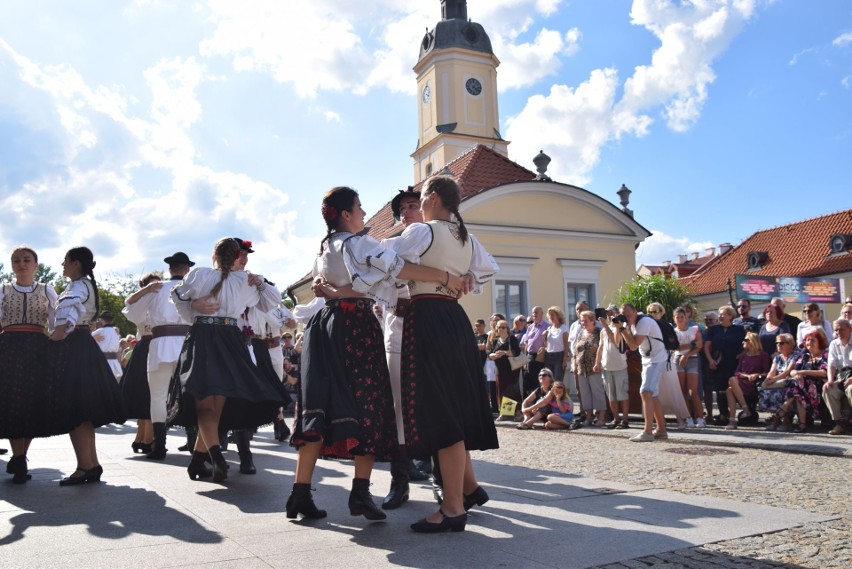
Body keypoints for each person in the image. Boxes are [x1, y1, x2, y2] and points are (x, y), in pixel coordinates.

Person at [288, 185, 468, 523]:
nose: (364, 212)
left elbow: (336, 287)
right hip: (354, 325)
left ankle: (299, 493)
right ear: (345, 214)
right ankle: (360, 493)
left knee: (319, 408)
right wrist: (445, 276)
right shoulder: (359, 243)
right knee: (368, 405)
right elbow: (398, 268)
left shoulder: (325, 247)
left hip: (323, 327)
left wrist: (335, 292)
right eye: (358, 207)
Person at [390, 175, 499, 533]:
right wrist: (455, 279)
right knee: (450, 407)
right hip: (454, 318)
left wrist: (442, 277)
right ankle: (463, 492)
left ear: (434, 198)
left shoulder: (424, 232)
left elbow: (389, 266)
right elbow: (482, 272)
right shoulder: (466, 237)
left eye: (421, 198)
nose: (419, 205)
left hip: (428, 318)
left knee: (440, 410)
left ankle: (453, 507)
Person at [169, 238, 285, 482]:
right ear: (236, 257)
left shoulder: (199, 275)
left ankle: (212, 458)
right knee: (217, 399)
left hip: (202, 336)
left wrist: (194, 304)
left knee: (204, 401)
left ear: (215, 255)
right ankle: (203, 460)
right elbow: (273, 301)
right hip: (230, 338)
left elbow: (176, 297)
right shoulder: (245, 281)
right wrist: (261, 283)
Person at [50, 246, 126, 485]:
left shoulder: (78, 286)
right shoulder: (83, 285)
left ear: (75, 263)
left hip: (75, 345)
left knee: (77, 409)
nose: (62, 264)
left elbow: (69, 319)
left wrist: (55, 339)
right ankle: (91, 464)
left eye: (65, 261)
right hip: (82, 345)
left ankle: (85, 466)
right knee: (82, 411)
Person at [123, 252, 194, 461]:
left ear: (170, 269)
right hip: (186, 346)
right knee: (190, 393)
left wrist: (146, 290)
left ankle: (159, 445)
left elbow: (132, 312)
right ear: (186, 269)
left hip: (161, 345)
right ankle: (193, 440)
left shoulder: (157, 288)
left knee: (158, 395)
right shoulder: (192, 288)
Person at [0, 246, 58, 483]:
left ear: (35, 264)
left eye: (26, 260)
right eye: (16, 260)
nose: (21, 264)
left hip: (37, 346)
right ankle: (19, 456)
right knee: (13, 400)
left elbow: (56, 321)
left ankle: (21, 455)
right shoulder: (3, 290)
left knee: (32, 402)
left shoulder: (47, 290)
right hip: (9, 347)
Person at [119, 272, 161, 455]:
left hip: (160, 344)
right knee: (142, 391)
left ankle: (148, 436)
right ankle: (143, 435)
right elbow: (127, 304)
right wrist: (147, 290)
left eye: (157, 285)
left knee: (154, 392)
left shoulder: (164, 302)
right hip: (145, 347)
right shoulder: (139, 305)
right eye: (149, 285)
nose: (155, 288)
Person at [615, 304, 668, 442]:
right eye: (624, 315)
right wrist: (618, 326)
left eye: (629, 315)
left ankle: (648, 432)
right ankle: (661, 430)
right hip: (648, 359)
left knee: (646, 391)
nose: (627, 317)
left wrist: (621, 328)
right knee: (653, 395)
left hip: (656, 359)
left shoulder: (643, 322)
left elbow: (633, 345)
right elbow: (618, 342)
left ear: (635, 312)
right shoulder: (631, 324)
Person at [773, 330, 829, 432]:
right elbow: (793, 371)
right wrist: (797, 374)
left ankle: (781, 412)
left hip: (819, 385)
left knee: (797, 385)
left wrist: (802, 372)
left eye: (813, 340)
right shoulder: (804, 354)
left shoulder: (825, 354)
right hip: (802, 386)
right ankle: (802, 424)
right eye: (807, 340)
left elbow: (824, 372)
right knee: (798, 386)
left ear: (819, 342)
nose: (809, 343)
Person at [704, 306, 746, 426]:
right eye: (720, 314)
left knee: (731, 389)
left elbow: (746, 345)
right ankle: (723, 415)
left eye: (723, 314)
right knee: (720, 390)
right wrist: (710, 360)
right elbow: (707, 346)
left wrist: (742, 357)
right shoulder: (714, 329)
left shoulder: (739, 329)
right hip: (718, 364)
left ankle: (736, 414)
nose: (721, 316)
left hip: (734, 363)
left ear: (731, 316)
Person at [724, 332, 771, 430]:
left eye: (746, 340)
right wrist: (747, 375)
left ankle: (734, 419)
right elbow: (737, 372)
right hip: (742, 381)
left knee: (730, 388)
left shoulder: (763, 355)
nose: (743, 342)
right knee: (730, 386)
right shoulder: (743, 356)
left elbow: (767, 372)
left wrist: (757, 375)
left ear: (752, 341)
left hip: (754, 383)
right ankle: (742, 412)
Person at [594, 304, 630, 429]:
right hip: (607, 366)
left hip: (619, 366)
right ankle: (616, 419)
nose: (609, 315)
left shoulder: (621, 327)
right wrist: (597, 363)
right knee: (611, 395)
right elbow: (601, 347)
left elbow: (615, 340)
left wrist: (605, 324)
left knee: (622, 394)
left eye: (612, 313)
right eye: (608, 313)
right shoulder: (604, 330)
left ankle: (625, 419)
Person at [672, 306, 704, 427]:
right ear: (674, 319)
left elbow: (700, 345)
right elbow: (676, 347)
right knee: (682, 391)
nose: (680, 319)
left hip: (692, 359)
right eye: (677, 317)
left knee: (693, 391)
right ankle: (687, 417)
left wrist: (687, 354)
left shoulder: (694, 329)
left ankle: (700, 417)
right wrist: (691, 344)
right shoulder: (674, 332)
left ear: (686, 317)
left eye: (682, 317)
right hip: (677, 360)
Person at [759, 333, 798, 428]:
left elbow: (787, 371)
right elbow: (772, 371)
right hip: (777, 382)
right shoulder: (777, 357)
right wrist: (768, 379)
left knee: (781, 393)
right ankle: (776, 419)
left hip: (789, 381)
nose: (778, 345)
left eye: (781, 343)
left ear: (790, 344)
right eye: (777, 343)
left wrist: (773, 379)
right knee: (764, 390)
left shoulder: (795, 356)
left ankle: (785, 420)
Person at [574, 309, 605, 426]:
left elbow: (602, 349)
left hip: (594, 368)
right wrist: (575, 364)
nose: (583, 323)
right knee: (585, 393)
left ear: (592, 320)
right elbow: (576, 351)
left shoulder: (599, 332)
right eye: (582, 321)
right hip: (582, 368)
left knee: (598, 393)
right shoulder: (581, 333)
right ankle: (588, 417)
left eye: (585, 320)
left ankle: (601, 418)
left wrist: (599, 363)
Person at [822, 318, 852, 435]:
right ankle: (839, 423)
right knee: (828, 389)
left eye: (841, 330)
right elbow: (831, 365)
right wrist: (830, 380)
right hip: (842, 375)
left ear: (850, 329)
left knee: (851, 389)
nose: (838, 333)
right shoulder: (834, 344)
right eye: (836, 330)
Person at [489, 319, 523, 419]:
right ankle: (506, 412)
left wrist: (504, 353)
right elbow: (489, 353)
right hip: (500, 369)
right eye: (499, 327)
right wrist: (494, 355)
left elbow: (516, 352)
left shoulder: (511, 339)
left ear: (507, 329)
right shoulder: (495, 340)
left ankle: (517, 412)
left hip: (511, 369)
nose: (501, 329)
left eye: (504, 327)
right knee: (502, 391)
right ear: (496, 329)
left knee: (513, 390)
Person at [520, 306, 548, 397]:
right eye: (533, 313)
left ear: (542, 314)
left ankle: (539, 400)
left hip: (540, 356)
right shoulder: (530, 327)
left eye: (537, 312)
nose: (534, 315)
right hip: (530, 356)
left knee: (538, 380)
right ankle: (531, 401)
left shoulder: (547, 326)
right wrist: (525, 358)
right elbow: (526, 343)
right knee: (528, 380)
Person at [92, 311, 122, 380]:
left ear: (102, 320)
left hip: (101, 363)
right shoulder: (116, 333)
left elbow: (86, 341)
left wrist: (93, 338)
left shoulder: (100, 331)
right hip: (114, 363)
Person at [543, 306, 570, 384]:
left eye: (553, 315)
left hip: (559, 356)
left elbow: (566, 345)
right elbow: (546, 345)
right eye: (550, 315)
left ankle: (560, 396)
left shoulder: (563, 328)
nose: (551, 317)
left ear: (558, 316)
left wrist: (565, 359)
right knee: (549, 381)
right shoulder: (549, 329)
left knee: (558, 381)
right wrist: (545, 337)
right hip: (548, 356)